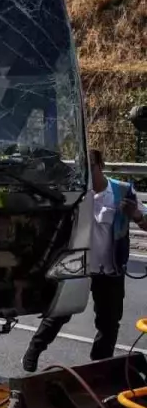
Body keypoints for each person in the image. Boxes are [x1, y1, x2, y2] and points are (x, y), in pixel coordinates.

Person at [23, 149, 145, 371]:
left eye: (90, 167)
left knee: (109, 323)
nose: (86, 173)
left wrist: (135, 214)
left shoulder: (123, 191)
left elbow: (144, 221)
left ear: (101, 164)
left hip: (110, 269)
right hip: (78, 266)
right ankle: (35, 349)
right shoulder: (75, 192)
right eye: (82, 167)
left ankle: (98, 366)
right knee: (60, 312)